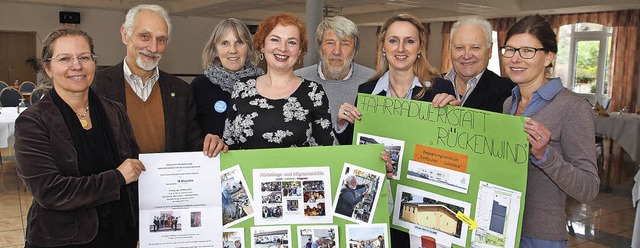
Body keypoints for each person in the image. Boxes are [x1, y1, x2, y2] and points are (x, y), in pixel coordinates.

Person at [15, 26, 145, 247]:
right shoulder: (33, 122)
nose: (77, 66)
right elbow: (50, 191)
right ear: (48, 68)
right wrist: (117, 177)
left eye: (84, 57)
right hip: (65, 239)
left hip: (121, 234)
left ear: (94, 62)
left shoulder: (115, 111)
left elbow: (134, 167)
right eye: (64, 58)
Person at [501, 15, 599, 247]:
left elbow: (589, 188)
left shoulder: (572, 107)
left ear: (549, 57)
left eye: (527, 51)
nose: (515, 58)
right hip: (502, 228)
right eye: (510, 49)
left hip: (540, 236)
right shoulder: (509, 103)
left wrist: (546, 156)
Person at [93, 4, 226, 156]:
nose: (153, 48)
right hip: (117, 180)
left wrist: (209, 145)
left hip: (167, 180)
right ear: (125, 34)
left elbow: (190, 143)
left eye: (161, 39)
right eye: (145, 36)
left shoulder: (181, 90)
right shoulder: (97, 86)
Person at [335, 13, 456, 145]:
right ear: (383, 46)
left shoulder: (441, 89)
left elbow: (450, 145)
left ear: (420, 47)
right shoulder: (367, 91)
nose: (400, 49)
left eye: (409, 41)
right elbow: (355, 146)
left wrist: (456, 117)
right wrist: (343, 124)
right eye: (393, 41)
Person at [223, 13, 338, 149]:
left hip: (297, 170)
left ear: (300, 50)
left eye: (291, 42)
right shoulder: (241, 87)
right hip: (246, 170)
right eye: (275, 40)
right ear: (262, 46)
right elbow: (228, 145)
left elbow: (326, 150)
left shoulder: (313, 92)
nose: (283, 48)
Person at [294, 16, 375, 133]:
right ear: (319, 47)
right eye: (330, 43)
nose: (337, 51)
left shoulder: (373, 82)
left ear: (355, 50)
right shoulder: (297, 80)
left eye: (345, 44)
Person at [192, 18, 264, 137]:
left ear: (249, 48)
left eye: (239, 42)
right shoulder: (200, 86)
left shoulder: (264, 84)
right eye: (225, 43)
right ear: (215, 50)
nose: (233, 50)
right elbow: (190, 135)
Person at [445, 16, 515, 112]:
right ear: (450, 50)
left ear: (489, 50)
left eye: (475, 47)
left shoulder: (509, 92)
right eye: (459, 47)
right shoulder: (430, 86)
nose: (466, 55)